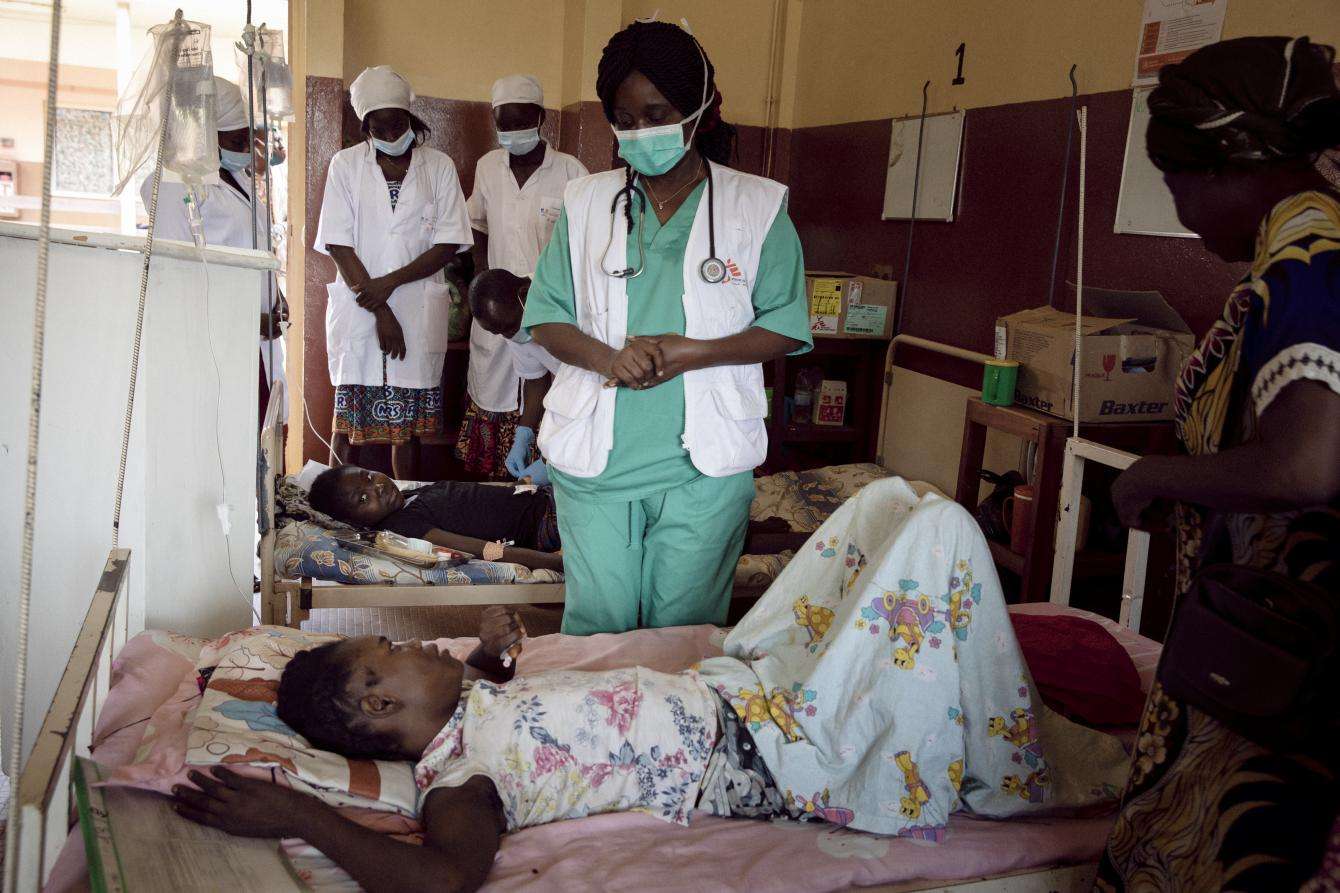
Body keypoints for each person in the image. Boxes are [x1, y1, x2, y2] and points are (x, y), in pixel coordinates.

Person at [167, 484, 1131, 892]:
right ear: (380, 705)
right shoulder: (461, 782)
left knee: (883, 508)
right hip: (775, 745)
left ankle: (926, 606)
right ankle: (1016, 770)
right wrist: (293, 810)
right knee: (941, 533)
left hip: (742, 680)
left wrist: (497, 655)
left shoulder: (468, 700)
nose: (420, 648)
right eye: (391, 650)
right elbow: (441, 879)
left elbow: (501, 690)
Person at [1099, 36, 1340, 891]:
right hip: (1265, 629)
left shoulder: (1309, 257)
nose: (1184, 213)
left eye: (1179, 186)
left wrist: (1153, 476)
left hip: (1289, 647)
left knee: (1236, 847)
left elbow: (1307, 463)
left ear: (1231, 166)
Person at [523, 22, 812, 635]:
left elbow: (786, 326)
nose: (641, 133)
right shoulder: (584, 203)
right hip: (596, 461)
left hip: (703, 469)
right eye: (624, 121)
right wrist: (607, 359)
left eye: (658, 114)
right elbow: (545, 315)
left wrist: (695, 352)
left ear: (701, 109)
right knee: (597, 628)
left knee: (684, 633)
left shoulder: (757, 208)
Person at [315, 65, 473, 480]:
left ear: (411, 119)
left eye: (397, 123)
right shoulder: (345, 165)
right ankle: (333, 509)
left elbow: (448, 243)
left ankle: (405, 506)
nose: (389, 135)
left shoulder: (437, 167)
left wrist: (386, 285)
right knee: (346, 424)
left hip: (416, 307)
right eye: (379, 127)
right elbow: (337, 241)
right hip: (361, 307)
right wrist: (381, 309)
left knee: (408, 433)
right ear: (365, 125)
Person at [457, 74, 588, 480]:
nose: (512, 132)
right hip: (498, 308)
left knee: (563, 392)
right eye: (503, 123)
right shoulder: (488, 167)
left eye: (521, 121)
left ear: (540, 117)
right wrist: (482, 284)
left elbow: (586, 241)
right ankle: (500, 485)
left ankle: (546, 475)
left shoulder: (571, 171)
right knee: (498, 392)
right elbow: (475, 224)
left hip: (547, 305)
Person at [142, 76, 288, 421]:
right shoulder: (170, 187)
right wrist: (246, 320)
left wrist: (276, 296)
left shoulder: (233, 177)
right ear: (204, 136)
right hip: (215, 338)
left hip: (256, 335)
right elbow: (177, 277)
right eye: (237, 139)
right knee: (229, 435)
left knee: (261, 437)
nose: (246, 148)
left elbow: (254, 244)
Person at [307, 464, 562, 572]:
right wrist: (558, 564)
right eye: (363, 499)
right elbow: (482, 550)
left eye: (369, 477)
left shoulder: (408, 496)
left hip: (544, 498)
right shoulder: (403, 526)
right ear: (355, 522)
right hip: (547, 522)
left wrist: (523, 484)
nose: (378, 488)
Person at [468, 268, 560, 486]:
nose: (509, 336)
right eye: (499, 332)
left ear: (525, 294)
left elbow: (584, 389)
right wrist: (524, 433)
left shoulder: (562, 303)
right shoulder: (510, 319)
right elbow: (535, 379)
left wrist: (550, 461)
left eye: (509, 328)